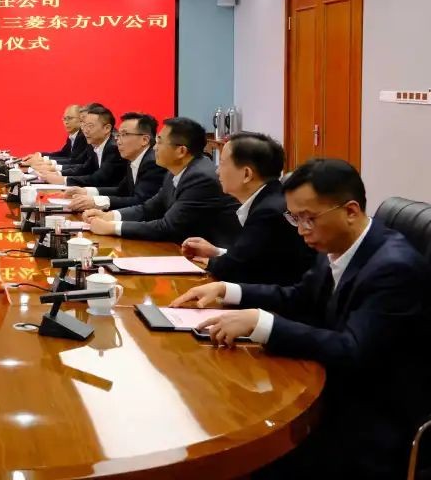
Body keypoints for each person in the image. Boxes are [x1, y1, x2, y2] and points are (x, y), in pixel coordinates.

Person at [172, 158, 431, 479]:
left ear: (351, 211)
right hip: (333, 387)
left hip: (371, 416)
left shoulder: (393, 267)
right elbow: (299, 296)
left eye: (309, 218)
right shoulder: (339, 245)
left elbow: (353, 349)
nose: (301, 230)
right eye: (294, 218)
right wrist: (229, 291)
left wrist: (263, 325)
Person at [179, 132, 316, 284]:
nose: (217, 171)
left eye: (222, 163)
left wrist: (211, 262)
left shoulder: (267, 212)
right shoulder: (271, 198)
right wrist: (216, 252)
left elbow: (234, 269)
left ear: (246, 174)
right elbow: (254, 258)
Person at [84, 117, 240, 244]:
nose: (154, 148)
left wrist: (111, 227)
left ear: (181, 151)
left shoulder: (200, 178)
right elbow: (150, 208)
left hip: (215, 258)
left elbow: (167, 227)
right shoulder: (176, 170)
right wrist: (110, 216)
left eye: (159, 142)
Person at [63, 112, 165, 211]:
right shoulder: (133, 158)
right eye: (118, 135)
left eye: (124, 134)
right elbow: (121, 191)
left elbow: (140, 201)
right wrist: (85, 191)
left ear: (145, 140)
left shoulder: (153, 163)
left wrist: (96, 202)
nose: (118, 141)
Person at [38, 104, 126, 187]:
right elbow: (85, 168)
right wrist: (58, 173)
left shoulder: (113, 148)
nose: (85, 131)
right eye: (84, 125)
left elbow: (98, 179)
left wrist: (63, 180)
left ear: (107, 128)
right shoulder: (96, 144)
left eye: (90, 126)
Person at [25, 103, 88, 167]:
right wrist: (39, 155)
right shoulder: (73, 136)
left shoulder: (84, 136)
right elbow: (63, 154)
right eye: (64, 118)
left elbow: (75, 161)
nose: (66, 122)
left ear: (81, 119)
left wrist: (43, 160)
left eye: (69, 118)